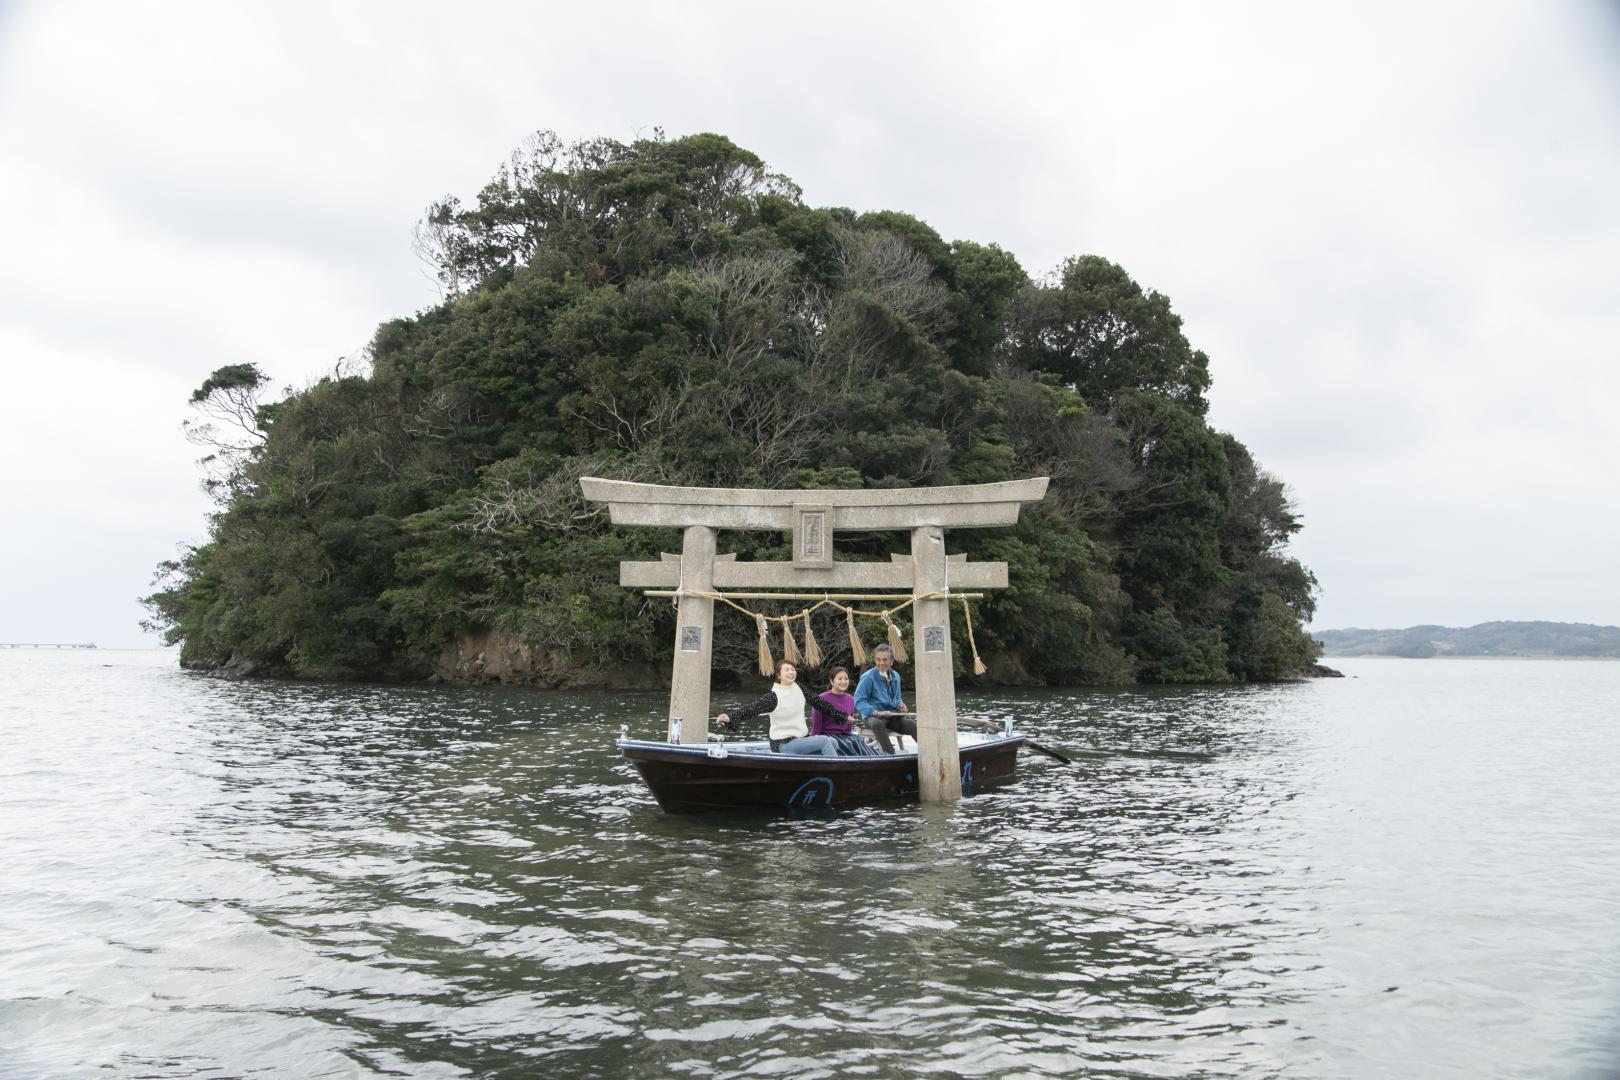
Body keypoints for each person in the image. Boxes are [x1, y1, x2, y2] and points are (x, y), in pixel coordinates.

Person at [715, 660, 839, 756]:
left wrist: (840, 715)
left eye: (793, 669)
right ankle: (836, 773)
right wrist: (730, 717)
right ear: (779, 675)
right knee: (824, 741)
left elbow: (819, 702)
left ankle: (817, 769)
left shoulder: (799, 688)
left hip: (801, 739)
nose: (791, 672)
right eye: (787, 670)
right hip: (783, 744)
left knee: (833, 742)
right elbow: (753, 708)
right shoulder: (774, 696)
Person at [854, 643, 917, 754]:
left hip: (892, 716)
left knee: (911, 724)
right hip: (872, 717)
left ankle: (929, 752)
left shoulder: (896, 676)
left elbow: (897, 698)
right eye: (878, 660)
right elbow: (858, 701)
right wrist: (876, 712)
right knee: (877, 724)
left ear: (891, 662)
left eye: (885, 660)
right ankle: (890, 754)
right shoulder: (868, 677)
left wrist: (900, 705)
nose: (881, 663)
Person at [810, 666, 880, 757]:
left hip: (844, 734)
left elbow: (848, 726)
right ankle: (864, 762)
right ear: (832, 681)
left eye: (846, 679)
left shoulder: (850, 699)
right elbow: (816, 727)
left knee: (857, 740)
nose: (843, 681)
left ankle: (877, 758)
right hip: (828, 735)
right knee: (851, 743)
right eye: (840, 679)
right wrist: (814, 744)